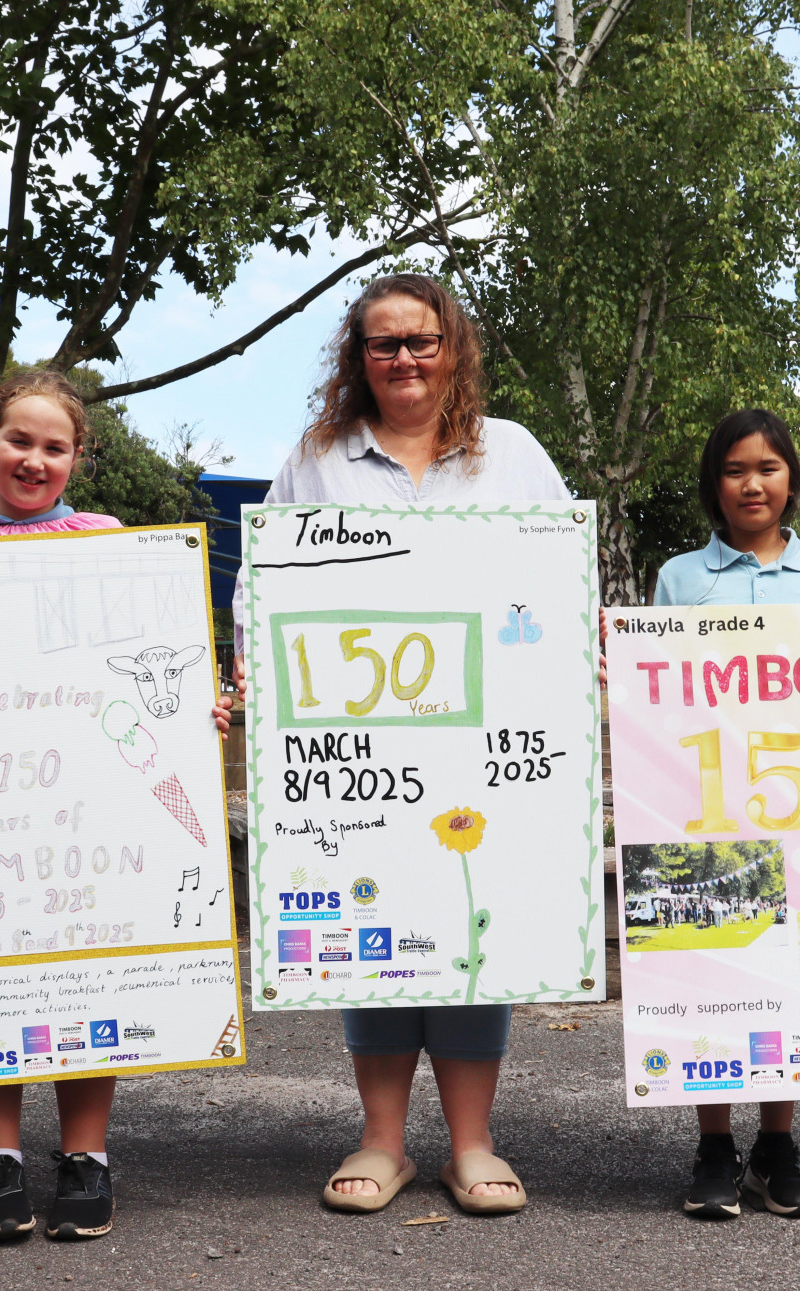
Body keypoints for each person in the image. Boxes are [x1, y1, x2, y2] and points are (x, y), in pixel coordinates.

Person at [238, 273, 569, 1217]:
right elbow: (263, 582)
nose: (404, 359)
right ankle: (383, 1140)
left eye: (421, 340)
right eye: (384, 344)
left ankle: (472, 1142)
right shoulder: (320, 455)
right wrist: (257, 671)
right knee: (368, 910)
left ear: (453, 347)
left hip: (491, 722)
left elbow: (559, 566)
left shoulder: (510, 452)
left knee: (476, 918)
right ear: (359, 358)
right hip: (360, 732)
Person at [0, 366, 240, 1243]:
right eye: (18, 440)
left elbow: (156, 669)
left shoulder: (109, 540)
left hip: (94, 795)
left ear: (76, 457)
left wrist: (194, 713)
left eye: (53, 446)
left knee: (85, 968)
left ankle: (86, 1156)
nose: (33, 459)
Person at [650, 408, 800, 1220]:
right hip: (703, 806)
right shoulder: (679, 577)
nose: (752, 482)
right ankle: (713, 1143)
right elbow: (653, 688)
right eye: (735, 468)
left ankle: (776, 1144)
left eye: (768, 467)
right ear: (714, 484)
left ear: (792, 478)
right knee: (712, 971)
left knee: (785, 977)